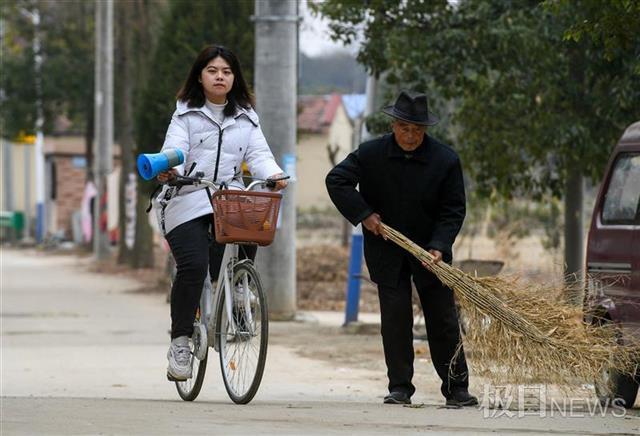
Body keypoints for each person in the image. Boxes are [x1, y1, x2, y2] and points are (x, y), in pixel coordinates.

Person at [325, 91, 477, 407]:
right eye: (404, 128)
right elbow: (336, 180)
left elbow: (453, 209)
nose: (410, 136)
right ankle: (400, 388)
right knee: (395, 319)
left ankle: (457, 389)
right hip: (386, 249)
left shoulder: (445, 160)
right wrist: (364, 215)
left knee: (443, 319)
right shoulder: (370, 154)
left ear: (426, 130)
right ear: (393, 125)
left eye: (417, 130)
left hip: (429, 254)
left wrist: (438, 246)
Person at [154, 45, 287, 381]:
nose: (219, 77)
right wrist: (171, 168)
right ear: (200, 76)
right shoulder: (185, 114)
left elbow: (259, 154)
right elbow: (176, 149)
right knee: (195, 266)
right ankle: (181, 342)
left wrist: (273, 175)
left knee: (254, 211)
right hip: (187, 195)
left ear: (234, 78)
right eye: (212, 70)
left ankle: (241, 290)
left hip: (227, 196)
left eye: (226, 71)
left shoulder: (245, 116)